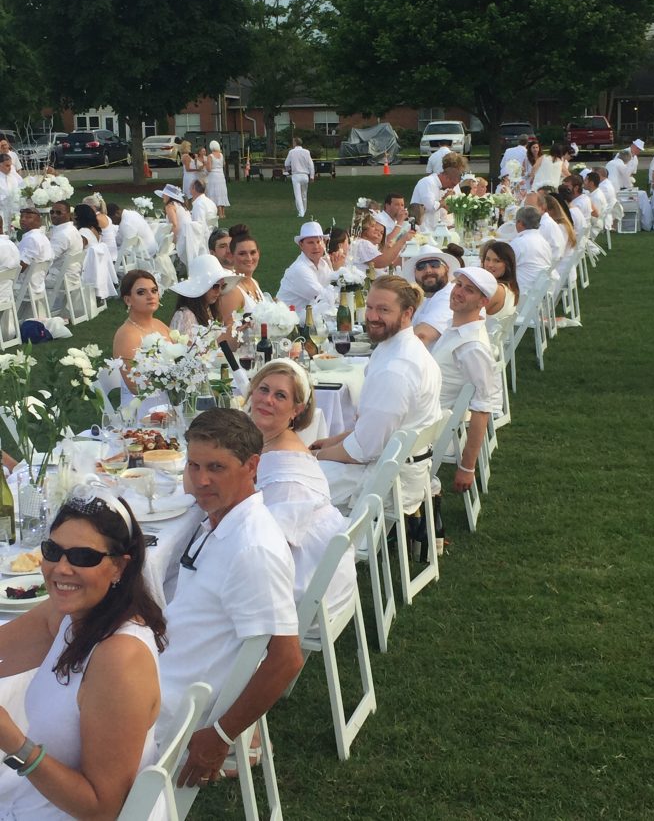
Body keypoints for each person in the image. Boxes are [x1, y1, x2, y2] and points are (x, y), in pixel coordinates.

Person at [157, 408, 303, 787]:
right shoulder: (222, 518)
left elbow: (286, 660)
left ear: (251, 466)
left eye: (216, 468)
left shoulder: (253, 549)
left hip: (167, 703)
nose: (200, 480)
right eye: (194, 466)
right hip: (158, 670)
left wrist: (220, 737)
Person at [0, 486, 166, 819]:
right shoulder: (68, 614)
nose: (61, 568)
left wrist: (14, 743)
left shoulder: (119, 659)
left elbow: (102, 809)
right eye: (53, 550)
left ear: (119, 567)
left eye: (83, 557)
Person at [312, 275, 442, 514]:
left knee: (288, 483)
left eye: (383, 310)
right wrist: (333, 441)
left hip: (386, 482)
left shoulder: (396, 370)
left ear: (407, 314)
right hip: (396, 465)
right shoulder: (399, 347)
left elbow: (362, 450)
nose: (371, 316)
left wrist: (316, 455)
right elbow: (376, 430)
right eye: (369, 307)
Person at [248, 360, 357, 614]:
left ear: (296, 410)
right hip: (322, 574)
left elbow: (270, 548)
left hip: (307, 588)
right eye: (263, 389)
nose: (267, 400)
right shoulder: (276, 444)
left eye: (280, 395)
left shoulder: (285, 472)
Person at [431, 268, 502, 494]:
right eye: (458, 285)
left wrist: (467, 467)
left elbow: (483, 408)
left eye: (468, 290)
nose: (458, 292)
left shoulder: (472, 347)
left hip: (429, 426)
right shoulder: (457, 330)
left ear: (483, 301)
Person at [112, 270, 171, 405]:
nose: (150, 296)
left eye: (154, 290)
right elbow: (134, 386)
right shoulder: (126, 335)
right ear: (128, 300)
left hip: (173, 396)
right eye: (141, 292)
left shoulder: (159, 324)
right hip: (145, 405)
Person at [276, 221, 336, 323]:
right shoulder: (299, 269)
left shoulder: (323, 264)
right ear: (301, 245)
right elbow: (324, 298)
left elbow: (333, 291)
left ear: (324, 243)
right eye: (310, 242)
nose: (316, 246)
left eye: (318, 241)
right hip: (289, 327)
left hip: (310, 322)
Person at [169, 253, 237, 341]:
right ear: (201, 286)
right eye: (215, 286)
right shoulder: (185, 315)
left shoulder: (210, 310)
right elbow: (187, 350)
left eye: (222, 286)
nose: (219, 291)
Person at [401, 245, 460, 347]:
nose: (428, 270)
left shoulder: (450, 297)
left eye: (434, 265)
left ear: (447, 269)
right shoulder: (426, 299)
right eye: (421, 267)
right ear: (415, 273)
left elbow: (422, 336)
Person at [216, 224, 263, 331]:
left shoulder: (254, 282)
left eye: (253, 252)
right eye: (242, 254)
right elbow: (228, 333)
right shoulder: (232, 291)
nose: (249, 258)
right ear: (231, 256)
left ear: (258, 253)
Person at [74, 204, 118, 300]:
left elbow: (77, 249)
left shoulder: (83, 232)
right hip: (95, 265)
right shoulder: (94, 228)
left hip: (85, 265)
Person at [155, 183, 205, 266]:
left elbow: (174, 225)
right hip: (189, 237)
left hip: (181, 238)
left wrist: (173, 241)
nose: (163, 196)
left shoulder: (170, 206)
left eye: (164, 194)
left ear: (169, 196)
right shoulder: (180, 205)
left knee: (157, 242)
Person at [45, 201, 82, 308]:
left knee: (25, 279)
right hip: (73, 274)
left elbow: (48, 258)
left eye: (58, 212)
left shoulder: (63, 234)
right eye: (52, 212)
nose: (54, 215)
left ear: (69, 215)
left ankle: (27, 313)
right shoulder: (72, 229)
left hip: (60, 278)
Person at [480, 240, 519, 339]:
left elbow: (471, 315)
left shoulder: (497, 290)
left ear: (507, 264)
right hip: (492, 340)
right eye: (487, 259)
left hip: (480, 342)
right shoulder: (511, 286)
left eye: (497, 261)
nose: (489, 265)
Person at [509, 205, 552, 295]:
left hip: (523, 294)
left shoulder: (518, 243)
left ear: (520, 223)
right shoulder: (543, 241)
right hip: (540, 291)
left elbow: (505, 268)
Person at [16, 205, 53, 300]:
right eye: (22, 217)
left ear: (38, 222)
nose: (23, 220)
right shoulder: (42, 236)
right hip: (38, 284)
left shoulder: (32, 239)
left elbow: (20, 268)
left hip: (24, 287)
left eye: (28, 217)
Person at [409, 166, 461, 232]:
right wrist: (446, 199)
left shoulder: (437, 185)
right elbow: (431, 207)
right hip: (422, 229)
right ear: (446, 177)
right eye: (453, 184)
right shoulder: (428, 182)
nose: (452, 187)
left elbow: (440, 207)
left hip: (432, 227)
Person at [82, 193, 117, 264]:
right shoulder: (104, 216)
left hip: (106, 256)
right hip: (112, 253)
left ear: (93, 207)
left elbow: (90, 237)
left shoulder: (96, 219)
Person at [284, 137, 315, 218]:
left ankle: (301, 212)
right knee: (304, 194)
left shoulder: (292, 152)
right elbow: (311, 165)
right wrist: (312, 176)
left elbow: (286, 163)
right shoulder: (306, 152)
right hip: (305, 176)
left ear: (295, 143)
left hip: (296, 175)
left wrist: (289, 171)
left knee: (298, 195)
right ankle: (303, 210)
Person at [205, 140, 230, 218]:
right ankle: (223, 213)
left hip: (213, 176)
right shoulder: (221, 155)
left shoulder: (210, 156)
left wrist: (205, 166)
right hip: (221, 175)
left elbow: (209, 169)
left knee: (214, 192)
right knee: (221, 192)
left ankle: (217, 212)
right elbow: (224, 164)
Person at [189, 180, 216, 247]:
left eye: (190, 187)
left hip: (203, 240)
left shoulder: (199, 204)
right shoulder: (210, 202)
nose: (189, 189)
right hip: (211, 233)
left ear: (194, 189)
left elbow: (198, 225)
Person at [0, 153, 22, 232]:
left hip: (15, 210)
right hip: (2, 212)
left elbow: (23, 187)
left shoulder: (14, 175)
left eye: (11, 165)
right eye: (7, 166)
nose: (10, 168)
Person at [582, 172, 608, 236]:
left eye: (585, 180)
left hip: (594, 227)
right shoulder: (592, 193)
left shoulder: (597, 197)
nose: (583, 182)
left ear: (591, 183)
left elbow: (595, 218)